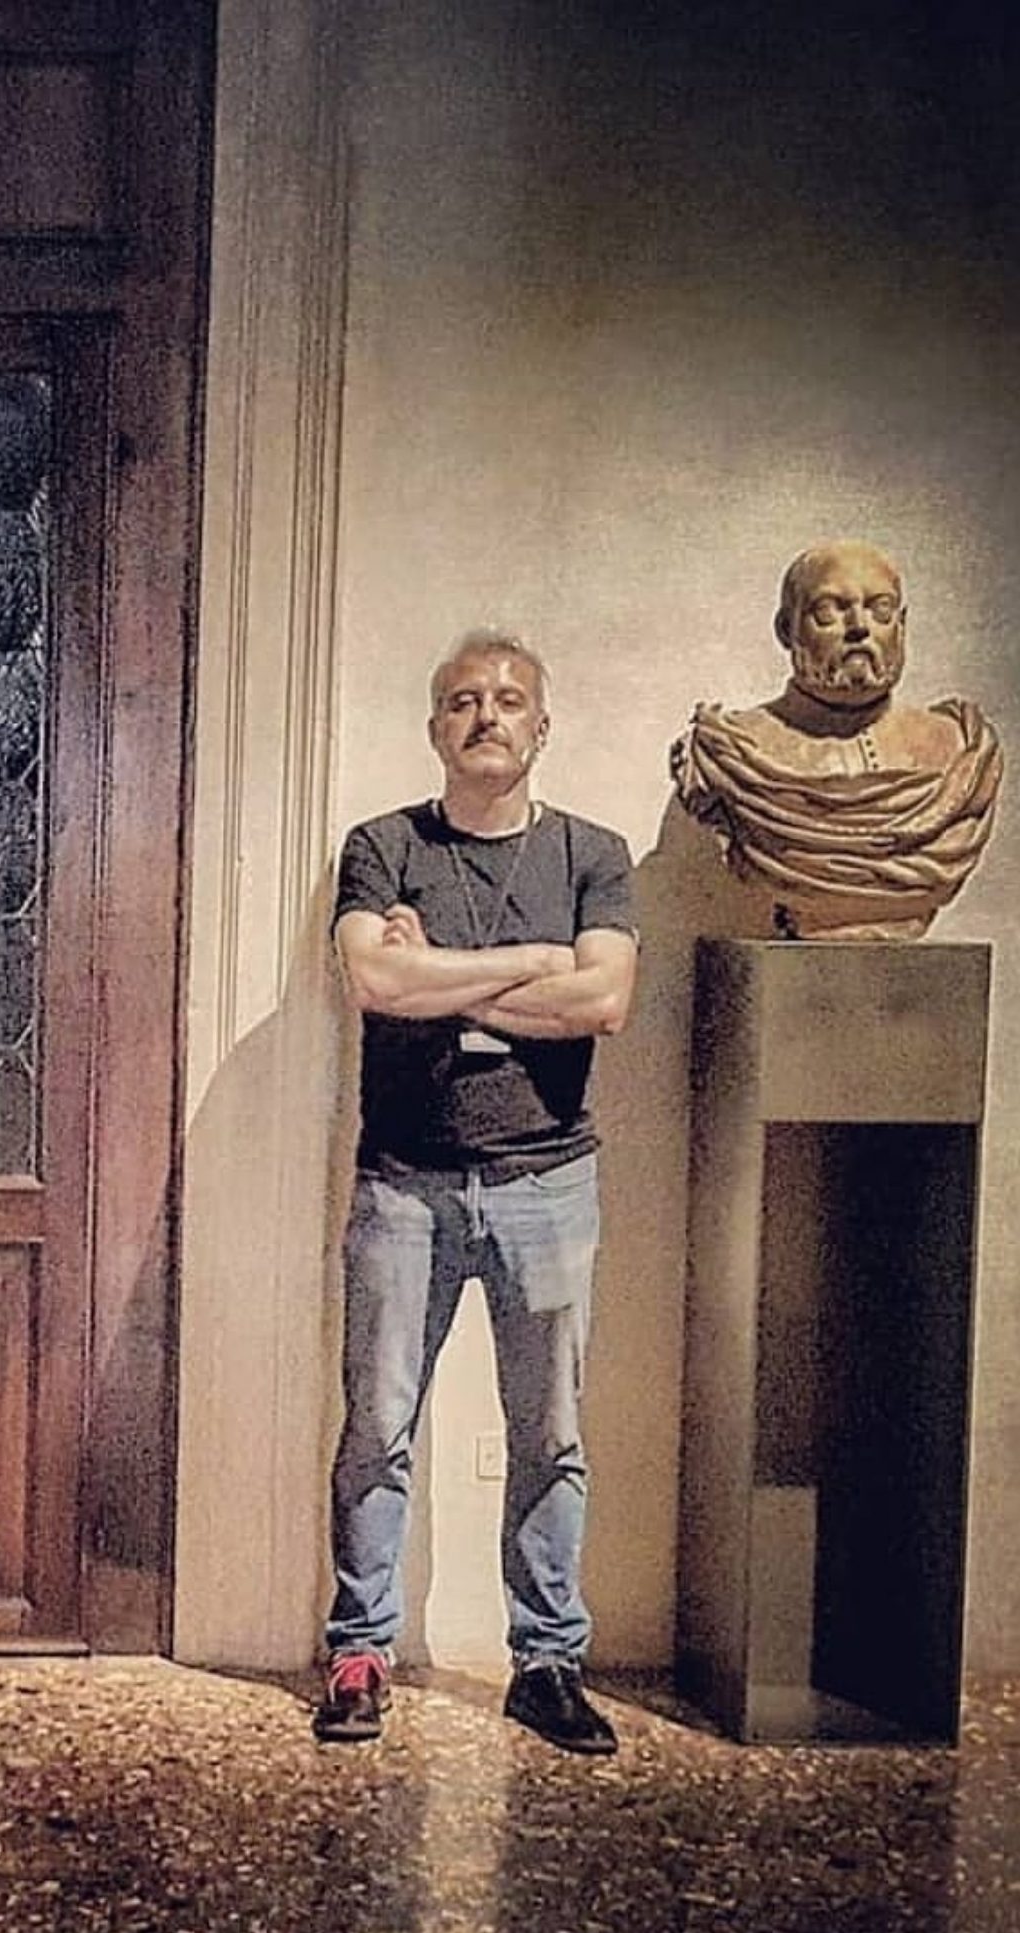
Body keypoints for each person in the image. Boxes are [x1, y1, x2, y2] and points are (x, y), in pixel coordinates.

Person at [317, 631, 638, 1755]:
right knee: (377, 1427)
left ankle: (546, 1662)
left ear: (541, 726)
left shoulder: (592, 853)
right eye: (462, 700)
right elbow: (372, 976)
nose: (485, 715)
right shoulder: (383, 845)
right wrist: (535, 963)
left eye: (507, 700)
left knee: (549, 1433)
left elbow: (605, 1002)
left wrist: (444, 976)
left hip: (549, 1179)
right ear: (435, 726)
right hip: (402, 1184)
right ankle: (358, 1651)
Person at [671, 540, 1000, 938]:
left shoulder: (960, 751)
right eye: (829, 610)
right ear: (786, 629)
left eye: (880, 609)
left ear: (902, 625)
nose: (859, 626)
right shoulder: (731, 752)